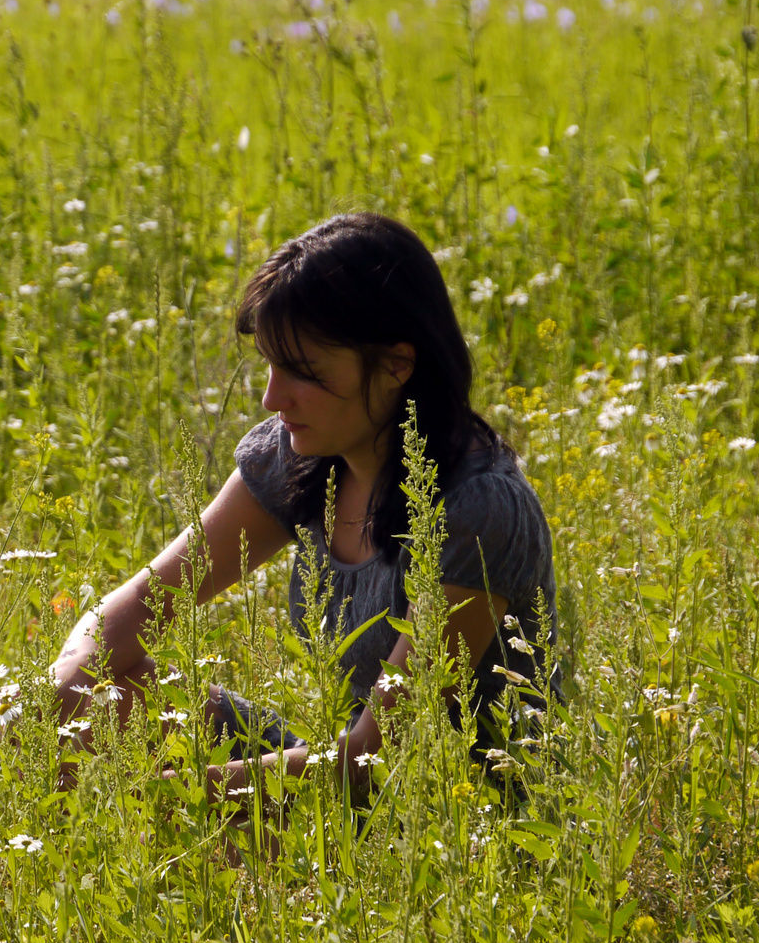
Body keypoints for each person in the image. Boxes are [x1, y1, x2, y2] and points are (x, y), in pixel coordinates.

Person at [50, 211, 563, 802]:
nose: (272, 396)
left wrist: (158, 798)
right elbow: (145, 602)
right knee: (105, 692)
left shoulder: (478, 508)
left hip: (453, 820)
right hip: (338, 780)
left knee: (152, 803)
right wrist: (59, 690)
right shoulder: (299, 455)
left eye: (304, 372)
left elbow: (376, 758)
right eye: (270, 365)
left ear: (397, 364)